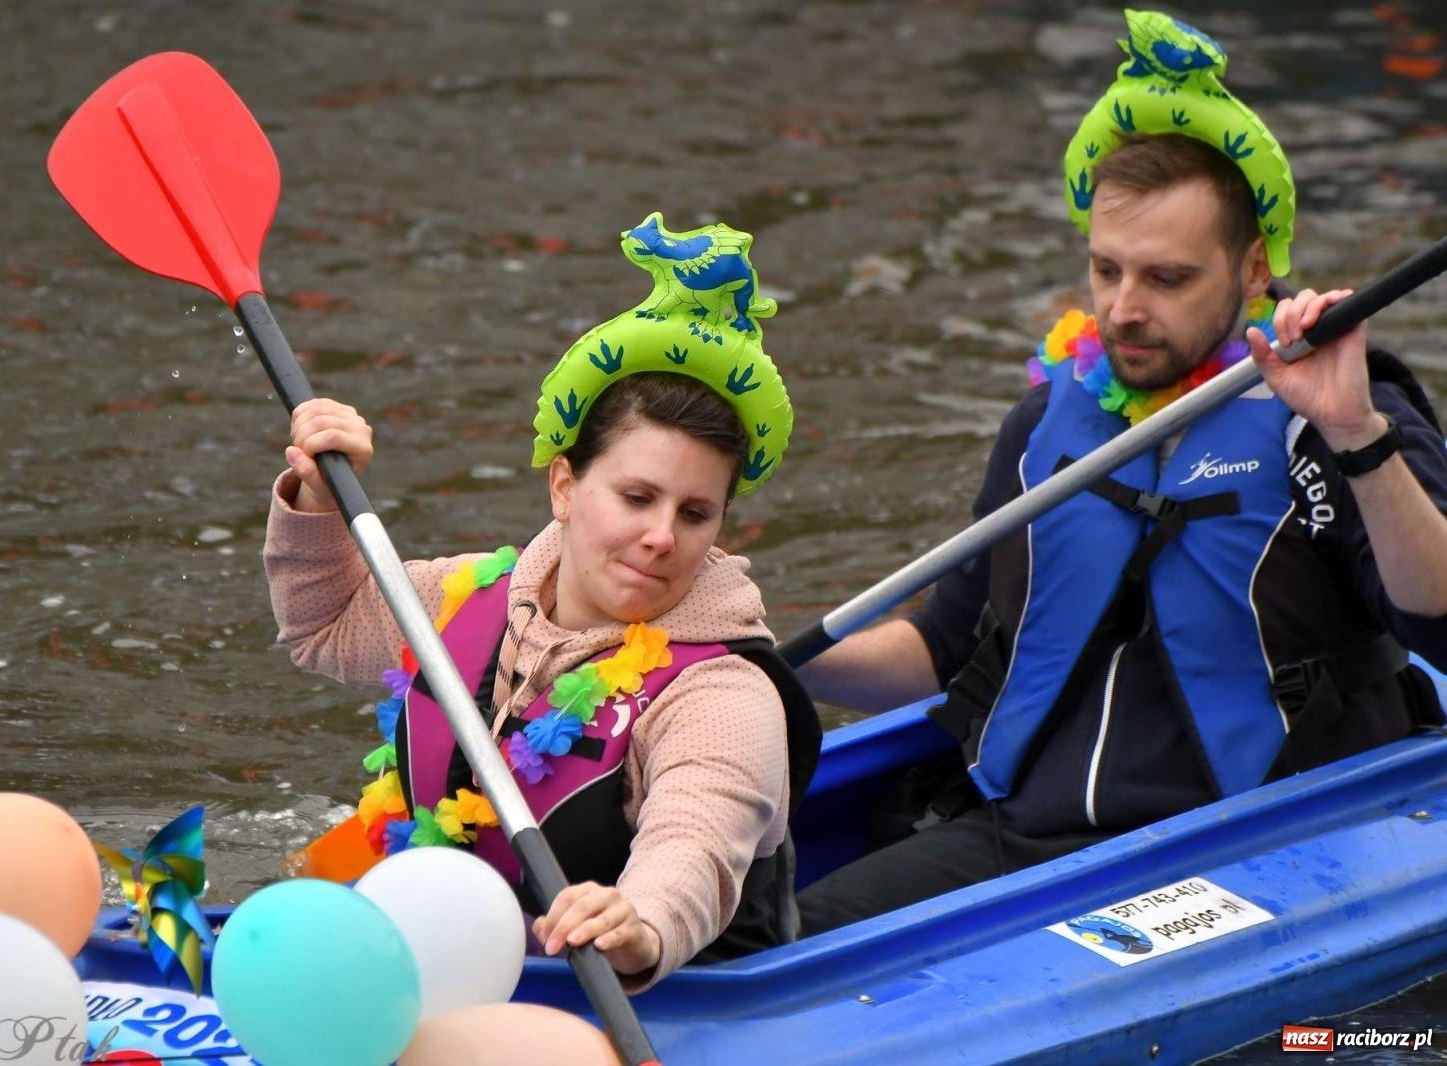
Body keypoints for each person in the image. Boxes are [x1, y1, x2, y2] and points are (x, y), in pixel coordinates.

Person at [795, 9, 1447, 933]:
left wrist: (1356, 433)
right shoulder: (1043, 424)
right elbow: (941, 653)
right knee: (785, 939)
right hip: (1031, 838)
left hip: (1250, 849)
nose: (1123, 309)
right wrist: (768, 658)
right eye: (1106, 270)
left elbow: (1442, 619)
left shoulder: (1339, 412)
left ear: (1254, 265)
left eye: (1167, 279)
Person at [263, 214, 820, 989]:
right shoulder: (467, 597)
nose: (662, 535)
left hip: (654, 999)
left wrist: (640, 923)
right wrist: (318, 500)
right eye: (636, 496)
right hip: (452, 960)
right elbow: (322, 625)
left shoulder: (725, 694)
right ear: (564, 486)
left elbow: (697, 842)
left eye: (695, 513)